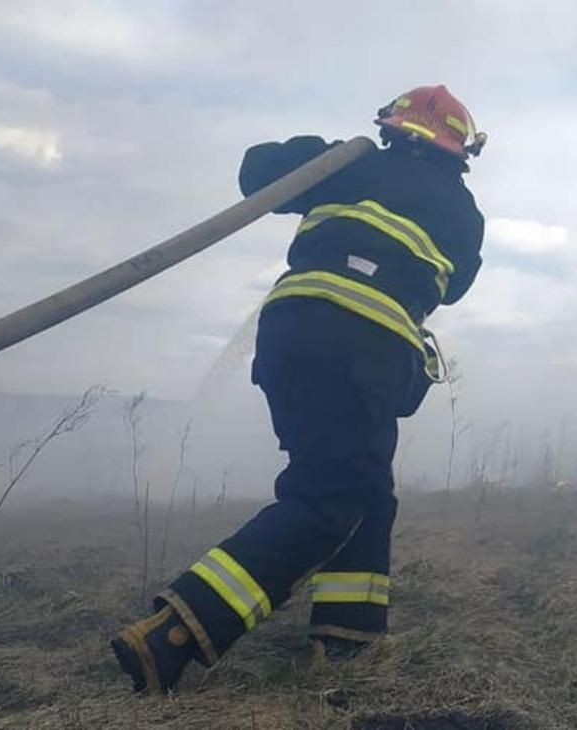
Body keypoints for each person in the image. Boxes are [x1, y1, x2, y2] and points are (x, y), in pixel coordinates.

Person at [110, 85, 486, 694]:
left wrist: (327, 155)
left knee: (363, 487)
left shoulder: (347, 164)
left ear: (392, 128)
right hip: (368, 351)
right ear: (459, 150)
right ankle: (175, 631)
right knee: (328, 498)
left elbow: (257, 172)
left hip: (289, 335)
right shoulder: (465, 216)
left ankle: (345, 637)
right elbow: (456, 285)